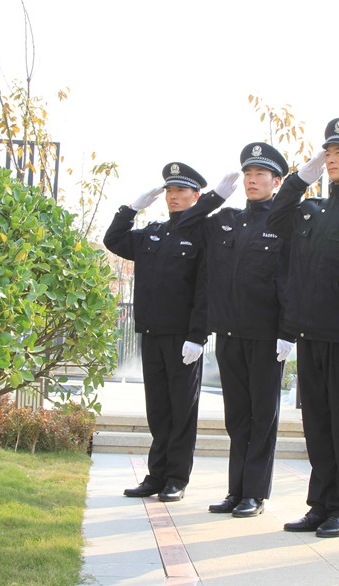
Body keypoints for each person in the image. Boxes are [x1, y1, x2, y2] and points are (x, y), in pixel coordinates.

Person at [266, 118, 339, 538]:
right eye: (327, 152)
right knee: (317, 426)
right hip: (311, 334)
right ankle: (320, 504)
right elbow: (275, 219)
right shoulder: (313, 208)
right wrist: (300, 179)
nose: (331, 159)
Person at [177, 142, 296, 518]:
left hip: (266, 336)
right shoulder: (226, 219)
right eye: (247, 173)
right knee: (237, 417)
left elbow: (290, 280)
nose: (252, 180)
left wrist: (287, 332)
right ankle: (236, 490)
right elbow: (185, 224)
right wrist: (215, 196)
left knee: (262, 417)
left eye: (261, 174)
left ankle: (254, 494)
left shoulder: (284, 222)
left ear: (277, 181)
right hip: (229, 334)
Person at [103, 162, 210, 503]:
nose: (173, 196)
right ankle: (156, 475)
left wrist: (198, 336)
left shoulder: (202, 235)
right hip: (151, 333)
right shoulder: (154, 233)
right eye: (169, 190)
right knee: (158, 409)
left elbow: (205, 289)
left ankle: (176, 478)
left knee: (182, 410)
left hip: (183, 339)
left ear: (197, 196)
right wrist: (131, 209)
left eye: (181, 190)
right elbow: (113, 240)